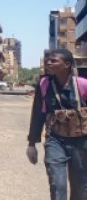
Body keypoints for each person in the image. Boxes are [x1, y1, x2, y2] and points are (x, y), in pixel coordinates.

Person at [27, 48, 87, 200]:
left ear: (67, 64)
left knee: (81, 189)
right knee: (57, 185)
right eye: (48, 60)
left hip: (81, 143)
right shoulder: (44, 84)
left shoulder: (82, 85)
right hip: (55, 140)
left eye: (54, 60)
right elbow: (38, 114)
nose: (49, 63)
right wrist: (32, 144)